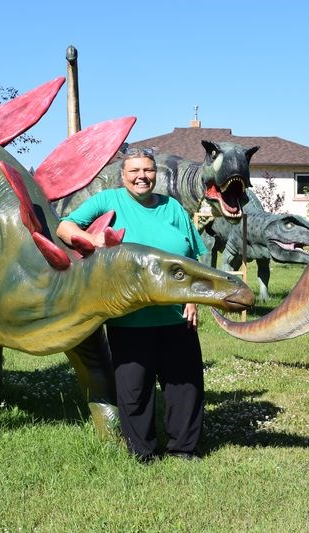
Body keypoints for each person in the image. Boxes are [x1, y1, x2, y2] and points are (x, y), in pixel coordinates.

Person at [57, 147, 208, 462]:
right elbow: (64, 227)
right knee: (134, 389)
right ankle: (143, 452)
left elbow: (193, 256)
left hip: (175, 314)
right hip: (129, 318)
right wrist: (93, 239)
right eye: (135, 171)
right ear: (123, 175)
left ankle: (184, 449)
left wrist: (192, 298)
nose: (142, 177)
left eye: (148, 171)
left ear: (156, 173)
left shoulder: (173, 208)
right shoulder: (109, 200)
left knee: (185, 385)